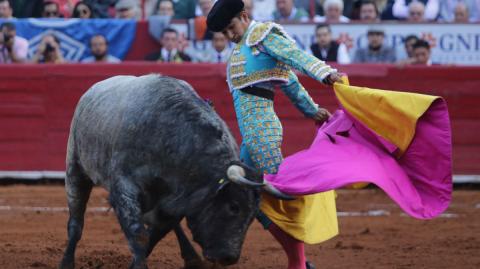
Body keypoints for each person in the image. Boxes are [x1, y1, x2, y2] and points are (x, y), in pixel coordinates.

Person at [207, 0, 342, 268]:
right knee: (249, 198)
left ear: (244, 16)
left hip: (263, 131)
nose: (229, 35)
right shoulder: (243, 48)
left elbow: (294, 56)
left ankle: (298, 263)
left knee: (277, 199)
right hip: (251, 136)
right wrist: (311, 110)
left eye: (231, 27)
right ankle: (299, 261)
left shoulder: (262, 35)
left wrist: (323, 72)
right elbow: (288, 79)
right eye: (224, 32)